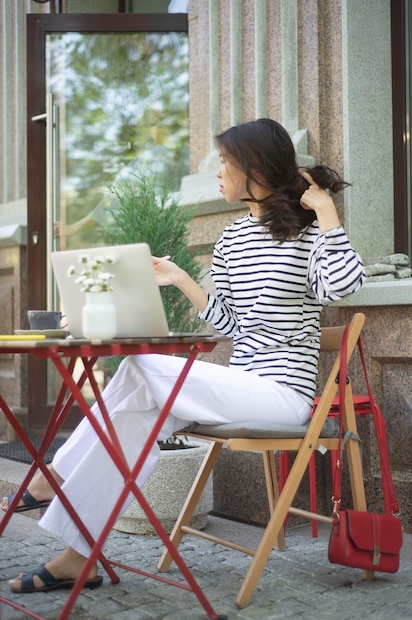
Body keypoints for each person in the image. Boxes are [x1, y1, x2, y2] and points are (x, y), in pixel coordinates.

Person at [2, 118, 364, 593]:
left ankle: (55, 477)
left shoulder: (309, 230)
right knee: (136, 417)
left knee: (142, 368)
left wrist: (327, 212)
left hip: (285, 395)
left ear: (254, 167)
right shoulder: (233, 238)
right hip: (243, 382)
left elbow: (344, 285)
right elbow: (231, 326)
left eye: (225, 161)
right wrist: (179, 279)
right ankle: (79, 556)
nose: (218, 170)